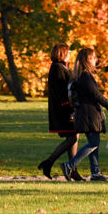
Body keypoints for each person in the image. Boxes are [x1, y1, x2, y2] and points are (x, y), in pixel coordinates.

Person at [62, 46, 108, 182]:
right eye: (94, 58)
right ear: (88, 59)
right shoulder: (85, 76)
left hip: (87, 113)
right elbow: (95, 95)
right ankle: (69, 165)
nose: (96, 60)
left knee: (94, 143)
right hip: (89, 114)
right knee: (93, 143)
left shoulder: (81, 76)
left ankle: (95, 173)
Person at [37, 43, 82, 180]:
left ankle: (72, 169)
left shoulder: (61, 67)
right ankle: (49, 162)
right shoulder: (57, 68)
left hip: (64, 108)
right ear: (62, 53)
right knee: (73, 137)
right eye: (68, 52)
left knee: (73, 137)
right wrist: (70, 109)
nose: (70, 55)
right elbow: (62, 92)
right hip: (63, 110)